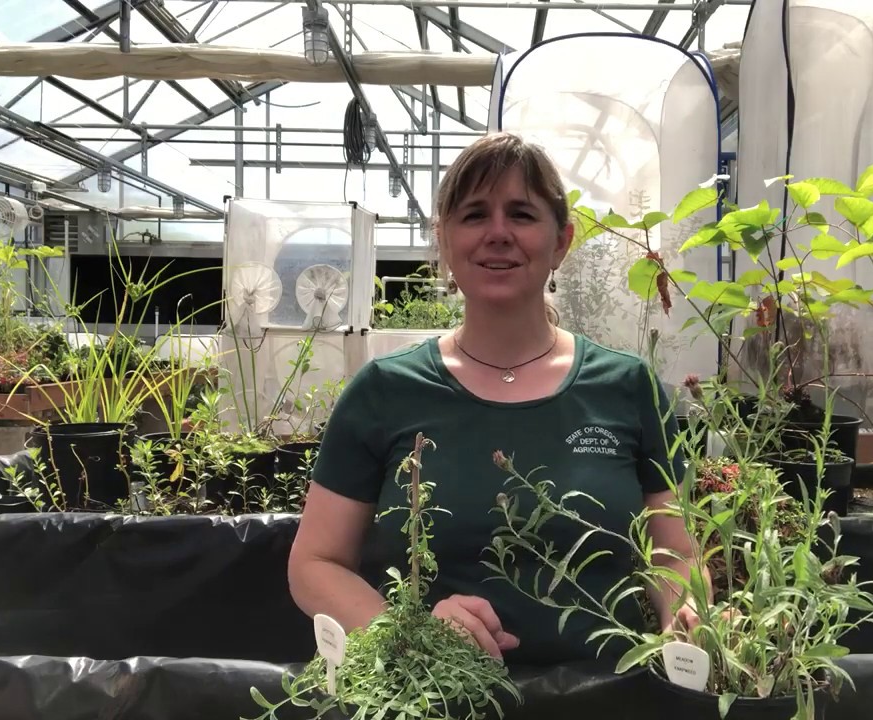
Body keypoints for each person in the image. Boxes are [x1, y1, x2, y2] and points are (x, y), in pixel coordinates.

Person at [287, 132, 701, 666]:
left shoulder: (627, 387)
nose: (498, 233)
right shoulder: (384, 393)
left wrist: (689, 615)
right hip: (436, 700)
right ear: (444, 239)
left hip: (609, 697)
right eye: (475, 214)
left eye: (522, 214)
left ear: (561, 241)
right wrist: (410, 633)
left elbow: (678, 551)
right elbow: (315, 562)